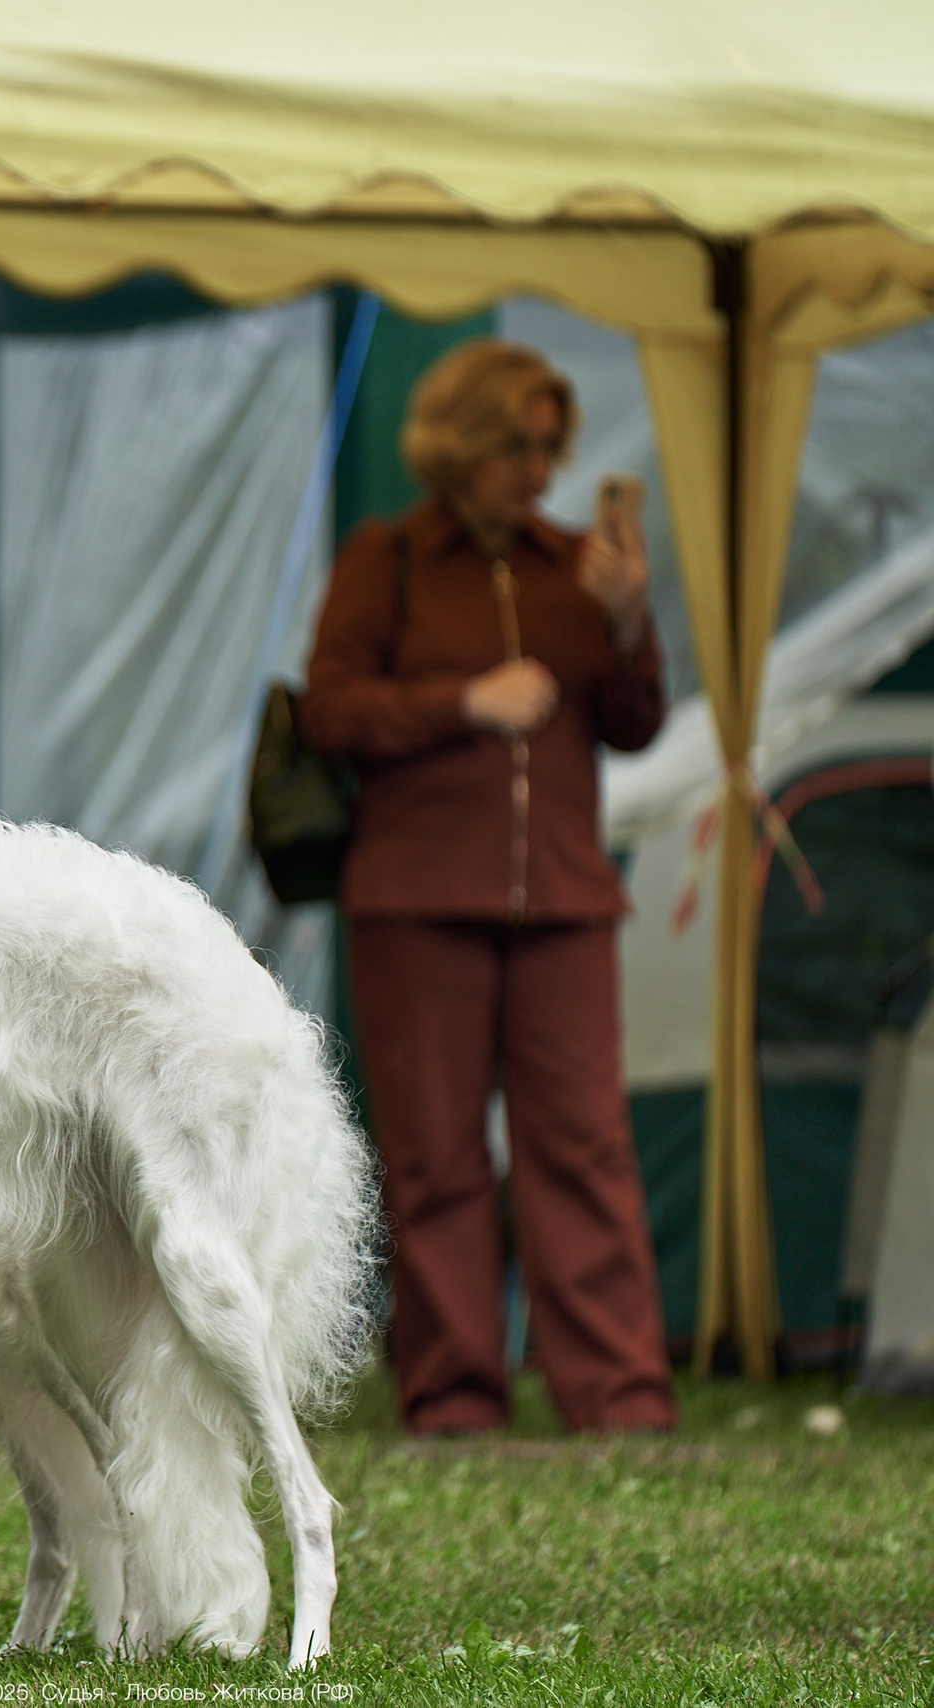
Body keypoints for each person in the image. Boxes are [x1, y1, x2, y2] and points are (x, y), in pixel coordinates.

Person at [301, 341, 676, 1436]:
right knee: (435, 1157)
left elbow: (635, 725)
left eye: (550, 447)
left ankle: (618, 1399)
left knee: (585, 1147)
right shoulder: (388, 559)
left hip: (563, 902)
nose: (539, 470)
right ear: (460, 444)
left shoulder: (578, 568)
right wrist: (463, 701)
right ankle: (454, 1400)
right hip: (416, 900)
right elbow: (330, 711)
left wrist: (628, 621)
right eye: (518, 446)